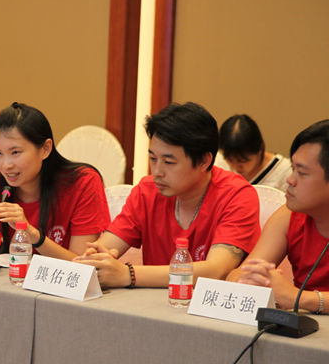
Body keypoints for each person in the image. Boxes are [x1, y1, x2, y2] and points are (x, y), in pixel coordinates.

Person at [74, 102, 260, 288]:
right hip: (153, 302)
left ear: (204, 161)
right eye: (153, 159)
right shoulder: (147, 191)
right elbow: (104, 248)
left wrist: (128, 274)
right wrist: (96, 259)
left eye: (169, 162)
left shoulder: (238, 196)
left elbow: (216, 271)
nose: (157, 172)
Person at [0, 102, 110, 260]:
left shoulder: (82, 183)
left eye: (15, 152)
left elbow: (82, 264)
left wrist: (32, 235)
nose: (6, 165)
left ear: (45, 149)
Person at [227, 120, 329, 314]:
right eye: (292, 169)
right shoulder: (288, 216)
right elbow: (239, 274)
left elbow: (293, 297)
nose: (290, 180)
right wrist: (249, 280)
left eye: (302, 173)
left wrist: (298, 298)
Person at [218, 114, 291, 191]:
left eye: (243, 161)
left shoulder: (285, 173)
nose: (235, 166)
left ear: (260, 150)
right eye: (230, 160)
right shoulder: (220, 164)